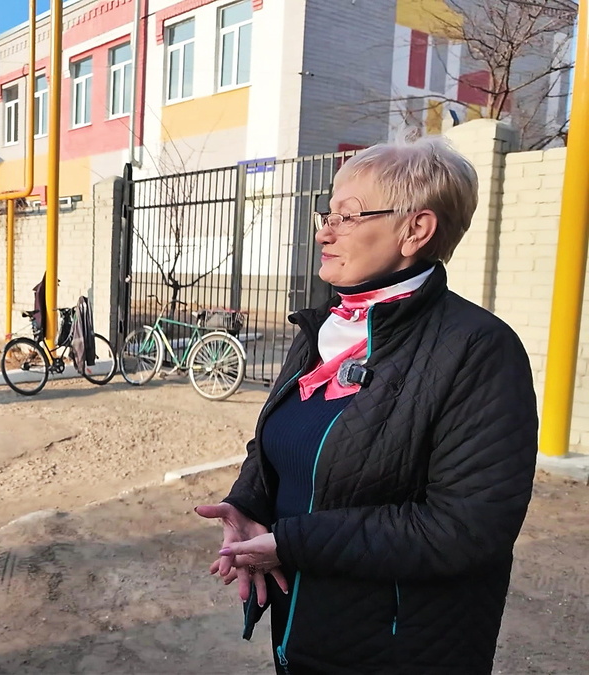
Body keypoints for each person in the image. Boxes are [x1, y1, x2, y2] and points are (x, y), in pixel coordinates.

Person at [196, 138, 538, 674]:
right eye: (327, 213)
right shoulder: (328, 327)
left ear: (416, 230)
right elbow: (285, 439)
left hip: (400, 649)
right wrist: (249, 504)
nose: (324, 232)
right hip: (305, 629)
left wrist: (291, 543)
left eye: (349, 216)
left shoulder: (478, 349)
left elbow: (464, 527)